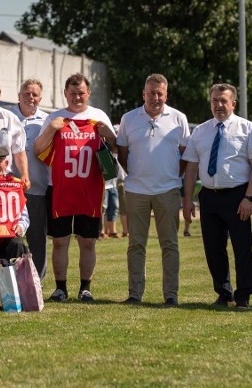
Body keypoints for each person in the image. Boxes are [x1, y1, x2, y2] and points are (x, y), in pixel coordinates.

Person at [181, 83, 252, 309]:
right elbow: (191, 168)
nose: (219, 105)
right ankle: (223, 292)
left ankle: (243, 295)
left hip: (238, 195)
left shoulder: (248, 129)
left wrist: (249, 198)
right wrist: (188, 200)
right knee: (213, 248)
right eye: (215, 101)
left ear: (233, 104)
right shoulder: (200, 131)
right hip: (209, 197)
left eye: (223, 101)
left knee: (242, 248)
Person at [34, 73, 115, 303]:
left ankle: (85, 288)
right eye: (73, 93)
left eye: (81, 93)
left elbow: (116, 149)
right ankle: (60, 289)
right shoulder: (55, 118)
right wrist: (52, 129)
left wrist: (107, 134)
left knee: (87, 241)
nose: (77, 97)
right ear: (65, 94)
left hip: (90, 190)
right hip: (59, 188)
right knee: (60, 241)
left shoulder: (98, 117)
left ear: (88, 93)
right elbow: (38, 150)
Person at [116, 73, 190, 306]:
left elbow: (185, 155)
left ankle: (171, 295)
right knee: (136, 244)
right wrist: (137, 175)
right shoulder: (129, 118)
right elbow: (123, 156)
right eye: (151, 93)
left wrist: (171, 175)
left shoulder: (179, 118)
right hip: (137, 190)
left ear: (166, 95)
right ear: (143, 94)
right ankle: (135, 294)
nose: (155, 98)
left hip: (167, 190)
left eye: (160, 93)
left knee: (169, 244)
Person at [10, 78, 50, 279]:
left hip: (37, 188)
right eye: (27, 93)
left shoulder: (47, 121)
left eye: (35, 95)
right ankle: (7, 281)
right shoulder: (6, 117)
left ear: (40, 98)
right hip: (8, 190)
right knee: (8, 237)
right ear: (19, 96)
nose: (30, 98)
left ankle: (38, 282)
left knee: (37, 239)